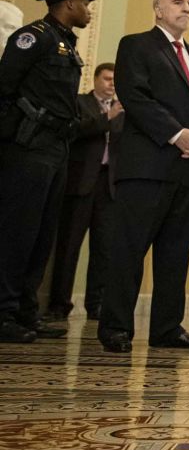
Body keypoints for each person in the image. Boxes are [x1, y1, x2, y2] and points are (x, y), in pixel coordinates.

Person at [98, 0, 189, 354]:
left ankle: (167, 327)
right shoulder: (136, 45)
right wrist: (177, 135)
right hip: (147, 167)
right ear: (157, 9)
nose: (187, 8)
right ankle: (116, 327)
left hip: (188, 171)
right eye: (179, 2)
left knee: (176, 253)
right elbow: (135, 97)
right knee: (129, 250)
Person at [0, 0, 94, 343]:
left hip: (57, 148)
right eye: (85, 3)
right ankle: (3, 312)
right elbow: (4, 87)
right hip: (28, 147)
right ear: (69, 4)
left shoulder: (66, 44)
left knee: (42, 235)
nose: (88, 10)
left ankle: (26, 311)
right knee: (17, 232)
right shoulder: (33, 37)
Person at [46, 62, 123, 321]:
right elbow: (76, 130)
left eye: (115, 80)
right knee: (69, 247)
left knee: (104, 249)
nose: (112, 84)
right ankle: (59, 304)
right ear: (96, 80)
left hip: (108, 185)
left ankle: (96, 305)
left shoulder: (123, 110)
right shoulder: (80, 102)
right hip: (80, 184)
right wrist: (106, 119)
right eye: (107, 79)